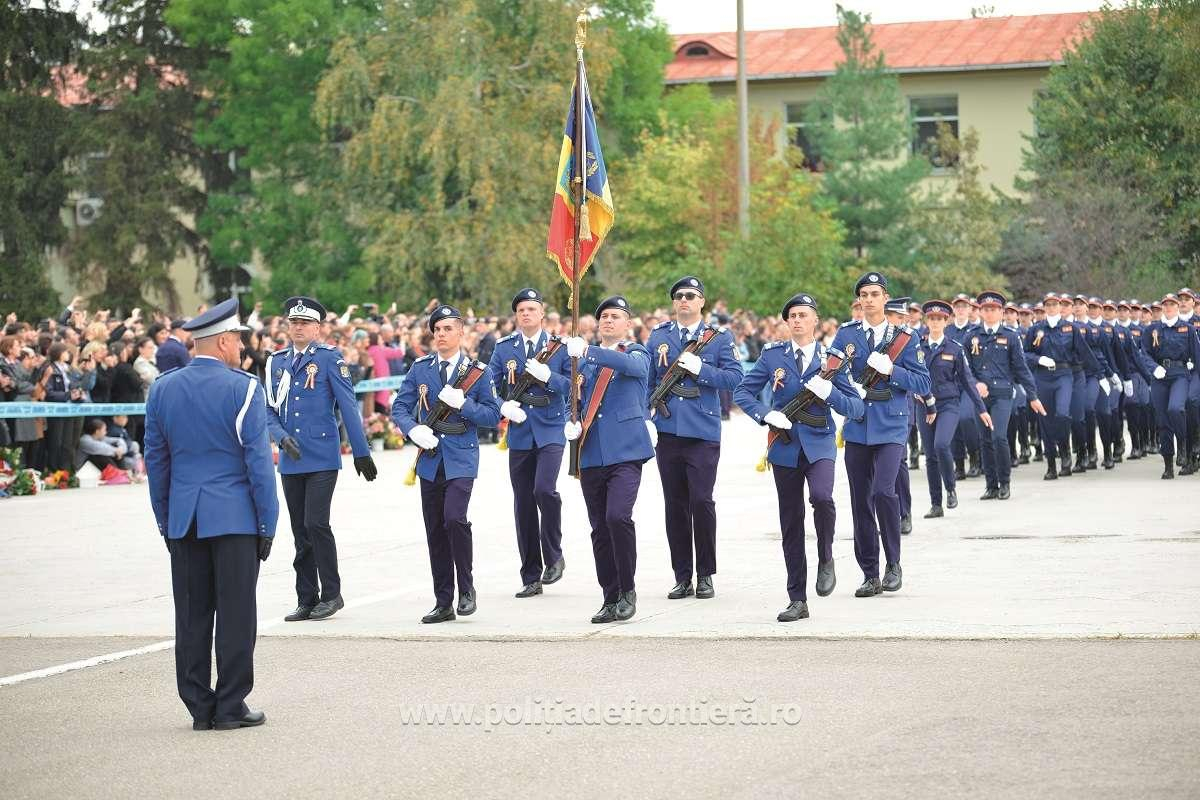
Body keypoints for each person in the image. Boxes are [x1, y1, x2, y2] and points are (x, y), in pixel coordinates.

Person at [144, 298, 278, 731]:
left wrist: (166, 519)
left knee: (192, 614)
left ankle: (199, 705)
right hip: (235, 518)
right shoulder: (245, 388)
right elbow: (259, 464)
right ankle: (231, 705)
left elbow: (156, 461)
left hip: (185, 519)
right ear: (222, 342)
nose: (241, 346)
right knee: (237, 613)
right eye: (237, 339)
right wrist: (268, 522)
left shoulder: (162, 388)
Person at [734, 292, 864, 621]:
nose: (797, 320)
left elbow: (856, 407)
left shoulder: (833, 360)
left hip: (820, 442)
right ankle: (797, 598)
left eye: (803, 315)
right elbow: (742, 391)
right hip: (785, 445)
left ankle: (826, 556)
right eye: (792, 315)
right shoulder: (772, 356)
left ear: (815, 321)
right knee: (791, 522)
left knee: (822, 498)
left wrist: (830, 392)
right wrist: (765, 415)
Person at [264, 296, 377, 623]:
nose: (298, 327)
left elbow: (347, 405)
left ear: (317, 328)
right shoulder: (277, 361)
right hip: (290, 455)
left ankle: (332, 593)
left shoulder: (329, 359)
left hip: (322, 454)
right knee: (300, 529)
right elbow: (269, 408)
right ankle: (306, 597)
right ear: (288, 326)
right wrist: (280, 437)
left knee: (316, 522)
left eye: (305, 323)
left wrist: (361, 451)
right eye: (293, 322)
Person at [392, 305, 500, 623]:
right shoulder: (421, 368)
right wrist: (413, 429)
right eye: (437, 330)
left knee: (454, 518)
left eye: (447, 329)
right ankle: (443, 601)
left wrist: (464, 404)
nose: (441, 335)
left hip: (462, 457)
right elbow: (400, 406)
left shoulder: (478, 372)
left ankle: (466, 589)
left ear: (461, 332)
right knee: (435, 530)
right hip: (429, 459)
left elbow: (493, 415)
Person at [831, 272, 930, 597]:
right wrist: (848, 387)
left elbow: (923, 384)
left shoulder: (905, 337)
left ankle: (894, 563)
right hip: (859, 425)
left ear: (885, 298)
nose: (869, 299)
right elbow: (830, 374)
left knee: (884, 492)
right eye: (864, 294)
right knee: (861, 500)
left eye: (875, 293)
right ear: (859, 300)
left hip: (891, 423)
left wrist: (893, 370)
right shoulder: (846, 336)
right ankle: (869, 573)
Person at [645, 276, 742, 601]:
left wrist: (701, 369)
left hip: (702, 431)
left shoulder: (716, 338)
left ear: (702, 302)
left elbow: (734, 378)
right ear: (674, 303)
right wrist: (646, 417)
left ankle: (706, 574)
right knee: (674, 505)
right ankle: (682, 575)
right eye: (680, 296)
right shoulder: (660, 336)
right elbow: (647, 380)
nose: (685, 300)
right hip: (668, 431)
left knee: (701, 501)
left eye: (691, 296)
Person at [563, 296, 656, 624]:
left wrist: (588, 350)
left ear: (627, 324)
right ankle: (610, 595)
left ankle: (628, 590)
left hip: (627, 451)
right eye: (603, 316)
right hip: (592, 452)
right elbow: (574, 398)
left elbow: (635, 370)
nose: (608, 320)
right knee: (599, 527)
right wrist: (570, 421)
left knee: (618, 517)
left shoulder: (635, 352)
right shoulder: (583, 362)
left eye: (615, 316)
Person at [488, 288, 571, 598]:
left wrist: (549, 376)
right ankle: (530, 575)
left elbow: (572, 384)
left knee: (543, 490)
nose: (526, 314)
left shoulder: (558, 347)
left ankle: (554, 555)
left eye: (531, 309)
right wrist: (502, 407)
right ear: (516, 316)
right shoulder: (503, 348)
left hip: (550, 428)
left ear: (542, 314)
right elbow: (491, 387)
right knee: (523, 502)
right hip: (521, 432)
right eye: (521, 310)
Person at [966, 291, 1045, 500]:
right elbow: (964, 369)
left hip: (1002, 393)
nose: (990, 312)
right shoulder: (971, 335)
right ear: (981, 312)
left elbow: (1021, 368)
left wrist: (1032, 395)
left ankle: (1005, 482)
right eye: (986, 309)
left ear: (1001, 312)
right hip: (980, 396)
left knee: (998, 436)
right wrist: (975, 383)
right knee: (984, 440)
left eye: (994, 309)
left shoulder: (1010, 336)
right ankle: (991, 485)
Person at [916, 301, 991, 519]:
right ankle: (935, 503)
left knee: (941, 445)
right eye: (932, 319)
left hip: (948, 404)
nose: (936, 322)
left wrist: (981, 409)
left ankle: (950, 487)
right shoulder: (917, 347)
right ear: (927, 321)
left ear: (946, 321)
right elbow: (909, 375)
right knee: (930, 455)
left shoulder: (955, 348)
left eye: (940, 319)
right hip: (923, 404)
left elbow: (968, 381)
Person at [1023, 292, 1101, 480]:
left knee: (1063, 414)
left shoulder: (1070, 328)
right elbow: (1025, 354)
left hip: (1065, 375)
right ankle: (1051, 465)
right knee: (1045, 420)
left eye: (1054, 304)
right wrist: (1039, 358)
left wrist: (1099, 374)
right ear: (1044, 307)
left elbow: (1085, 352)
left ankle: (1065, 451)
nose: (1050, 308)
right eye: (1047, 305)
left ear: (1060, 306)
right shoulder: (1035, 329)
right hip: (1043, 377)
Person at [1132, 293, 1200, 478]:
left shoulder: (1187, 329)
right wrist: (1153, 368)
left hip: (1180, 375)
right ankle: (1168, 465)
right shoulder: (1153, 329)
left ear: (1177, 307)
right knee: (1162, 421)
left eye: (1172, 304)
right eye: (1166, 305)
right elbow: (1143, 353)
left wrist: (1193, 368)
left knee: (1176, 409)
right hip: (1160, 376)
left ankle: (1184, 445)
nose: (1168, 307)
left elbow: (1197, 355)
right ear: (1162, 308)